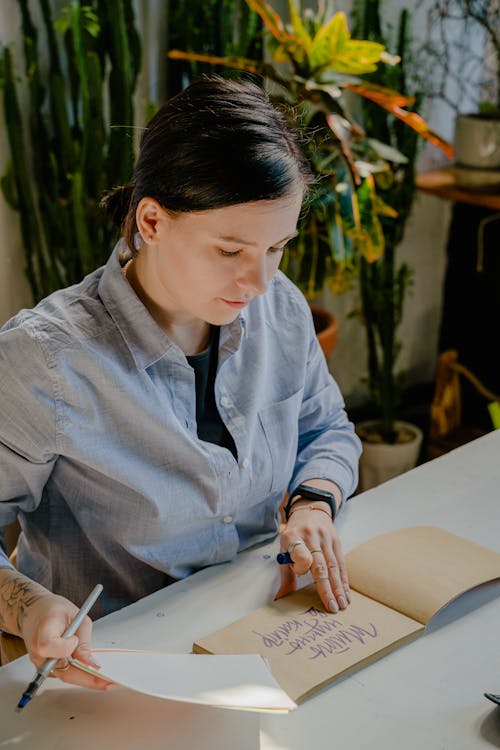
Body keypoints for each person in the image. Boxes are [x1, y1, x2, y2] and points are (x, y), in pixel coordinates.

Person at [0, 77, 361, 690]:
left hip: (264, 630)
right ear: (151, 220)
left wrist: (313, 501)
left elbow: (325, 429)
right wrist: (29, 605)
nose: (260, 282)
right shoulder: (46, 360)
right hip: (114, 665)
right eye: (229, 250)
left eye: (277, 248)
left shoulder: (281, 311)